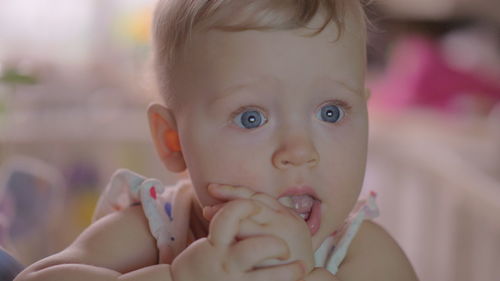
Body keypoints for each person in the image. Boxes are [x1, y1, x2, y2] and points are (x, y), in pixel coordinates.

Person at [14, 0, 419, 280]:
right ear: (173, 140)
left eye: (331, 112)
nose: (299, 152)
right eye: (251, 118)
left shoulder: (361, 254)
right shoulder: (157, 230)